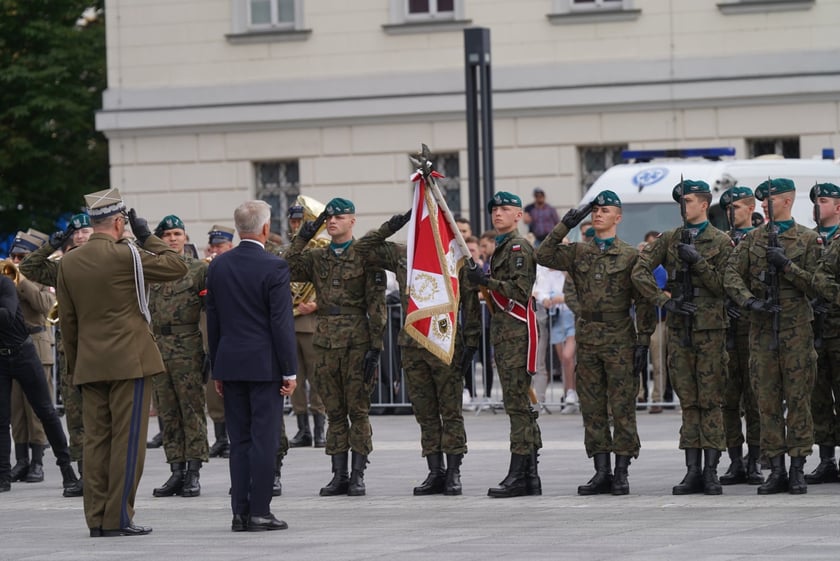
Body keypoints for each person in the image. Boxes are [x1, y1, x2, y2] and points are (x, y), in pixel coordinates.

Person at [57, 189, 187, 536]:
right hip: (131, 361)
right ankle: (119, 518)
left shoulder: (68, 262)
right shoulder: (127, 255)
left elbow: (68, 323)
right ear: (119, 222)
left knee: (95, 442)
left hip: (89, 363)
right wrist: (147, 236)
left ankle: (96, 519)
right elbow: (177, 265)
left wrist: (75, 367)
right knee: (128, 443)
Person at [538, 191, 655, 495]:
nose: (598, 214)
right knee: (592, 407)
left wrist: (643, 340)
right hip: (588, 337)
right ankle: (601, 470)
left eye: (605, 210)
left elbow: (643, 301)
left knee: (622, 407)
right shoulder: (579, 252)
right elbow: (543, 255)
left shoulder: (630, 255)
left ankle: (621, 471)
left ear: (618, 217)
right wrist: (565, 224)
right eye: (595, 211)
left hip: (619, 336)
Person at [355, 211, 480, 496]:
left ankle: (453, 472)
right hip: (412, 344)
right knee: (424, 412)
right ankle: (434, 471)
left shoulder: (455, 257)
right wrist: (392, 225)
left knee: (450, 411)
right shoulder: (403, 254)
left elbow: (471, 302)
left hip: (445, 341)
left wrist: (471, 342)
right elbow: (362, 248)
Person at [632, 180, 732, 496]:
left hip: (710, 331)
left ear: (704, 204)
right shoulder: (671, 238)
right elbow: (639, 271)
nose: (683, 206)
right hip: (679, 328)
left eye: (688, 201)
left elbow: (724, 286)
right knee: (688, 401)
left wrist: (697, 261)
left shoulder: (721, 241)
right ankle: (692, 471)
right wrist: (665, 301)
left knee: (711, 401)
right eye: (680, 202)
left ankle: (712, 471)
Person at [285, 198, 387, 497]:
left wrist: (376, 346)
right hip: (326, 341)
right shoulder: (318, 257)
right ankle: (338, 474)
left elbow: (376, 304)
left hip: (357, 341)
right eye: (327, 218)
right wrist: (306, 232)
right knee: (334, 409)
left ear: (352, 221)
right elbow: (288, 264)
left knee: (358, 409)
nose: (332, 222)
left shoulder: (364, 255)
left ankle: (357, 474)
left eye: (338, 217)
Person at [206, 200, 297, 532]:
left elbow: (213, 322)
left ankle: (239, 512)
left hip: (230, 362)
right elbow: (281, 323)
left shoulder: (218, 266)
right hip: (264, 365)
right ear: (265, 228)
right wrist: (290, 370)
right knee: (264, 439)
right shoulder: (274, 267)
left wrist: (217, 367)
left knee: (239, 440)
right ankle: (260, 510)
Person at [726, 178, 820, 495]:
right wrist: (748, 300)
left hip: (796, 330)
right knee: (766, 403)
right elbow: (730, 275)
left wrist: (788, 266)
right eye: (762, 199)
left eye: (771, 198)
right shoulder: (753, 240)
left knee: (798, 402)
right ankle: (775, 468)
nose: (765, 203)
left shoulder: (807, 239)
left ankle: (797, 468)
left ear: (788, 201)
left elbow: (818, 285)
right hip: (762, 330)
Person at [467, 192, 541, 498]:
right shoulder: (501, 247)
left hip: (516, 332)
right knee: (518, 404)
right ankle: (530, 474)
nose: (498, 213)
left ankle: (519, 474)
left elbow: (519, 292)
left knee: (518, 406)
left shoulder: (518, 247)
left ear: (519, 215)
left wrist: (485, 281)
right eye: (494, 209)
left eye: (505, 209)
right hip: (505, 332)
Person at [18, 213, 92, 497]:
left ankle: (103, 475)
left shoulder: (107, 262)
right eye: (76, 232)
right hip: (70, 349)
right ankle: (85, 474)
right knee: (75, 416)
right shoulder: (63, 266)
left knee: (99, 415)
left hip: (99, 348)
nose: (81, 236)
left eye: (86, 230)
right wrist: (51, 244)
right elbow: (29, 267)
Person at [148, 215, 209, 499]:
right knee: (167, 412)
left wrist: (209, 351)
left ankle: (193, 472)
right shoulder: (153, 270)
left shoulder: (198, 269)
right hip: (159, 345)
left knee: (191, 410)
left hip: (187, 347)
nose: (173, 239)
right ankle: (176, 469)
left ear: (185, 237)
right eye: (167, 235)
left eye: (177, 234)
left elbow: (210, 314)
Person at [0, 274, 79, 495]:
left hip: (24, 354)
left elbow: (6, 315)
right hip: (1, 358)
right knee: (2, 419)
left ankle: (66, 470)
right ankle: (3, 477)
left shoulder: (4, 283)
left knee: (45, 412)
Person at [716, 188, 763, 486]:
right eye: (727, 209)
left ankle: (755, 459)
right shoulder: (722, 241)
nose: (731, 213)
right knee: (729, 400)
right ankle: (735, 461)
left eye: (735, 207)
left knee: (755, 399)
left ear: (750, 208)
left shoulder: (761, 240)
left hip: (754, 325)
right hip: (725, 328)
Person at [6, 232, 56, 485]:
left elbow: (46, 306)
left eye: (22, 256)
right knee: (16, 409)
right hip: (12, 346)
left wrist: (21, 279)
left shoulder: (41, 277)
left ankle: (37, 461)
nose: (16, 260)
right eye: (14, 256)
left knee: (35, 408)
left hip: (36, 344)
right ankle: (22, 460)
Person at [284, 205, 326, 449]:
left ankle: (320, 428)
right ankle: (303, 430)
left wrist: (317, 304)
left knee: (317, 378)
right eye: (294, 221)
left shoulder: (320, 250)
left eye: (301, 220)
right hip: (289, 322)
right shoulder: (287, 250)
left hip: (311, 321)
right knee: (294, 377)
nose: (297, 225)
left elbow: (331, 284)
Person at [807, 182, 840, 485]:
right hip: (815, 330)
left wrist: (826, 292)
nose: (818, 205)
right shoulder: (810, 239)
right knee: (818, 398)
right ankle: (827, 460)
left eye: (824, 200)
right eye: (815, 200)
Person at [205, 225, 236, 459]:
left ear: (230, 246)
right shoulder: (205, 269)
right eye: (213, 246)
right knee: (213, 394)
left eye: (220, 246)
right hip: (211, 338)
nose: (215, 250)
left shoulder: (235, 268)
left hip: (234, 338)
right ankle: (220, 438)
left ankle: (234, 440)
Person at [531, 264, 576, 409]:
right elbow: (540, 292)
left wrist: (561, 298)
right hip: (556, 318)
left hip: (573, 317)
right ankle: (568, 395)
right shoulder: (549, 273)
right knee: (564, 360)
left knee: (568, 356)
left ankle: (571, 392)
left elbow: (577, 294)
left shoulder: (572, 272)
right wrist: (546, 299)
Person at [638, 231, 668, 415]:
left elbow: (658, 293)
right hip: (639, 320)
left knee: (658, 363)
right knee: (637, 360)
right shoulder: (637, 269)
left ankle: (657, 398)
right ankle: (639, 394)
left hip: (657, 321)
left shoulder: (659, 270)